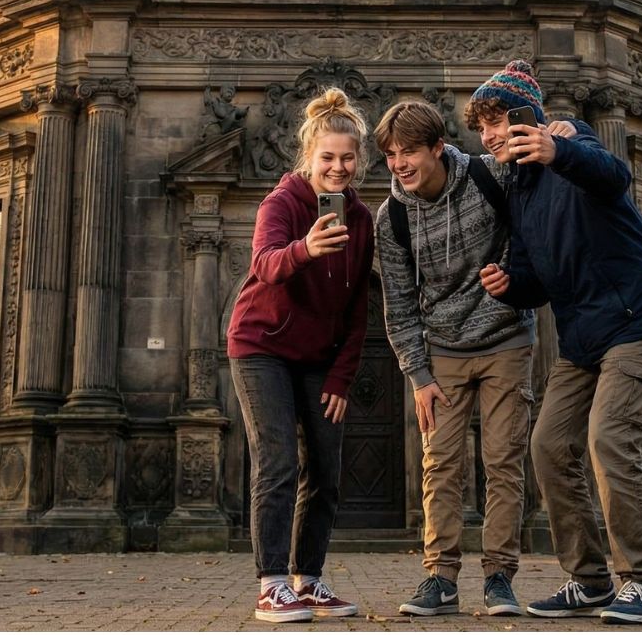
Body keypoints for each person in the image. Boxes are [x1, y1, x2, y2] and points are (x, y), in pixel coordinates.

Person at [470, 60, 642, 625]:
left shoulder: (573, 141)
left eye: (496, 121)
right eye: (482, 127)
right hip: (582, 338)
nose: (488, 135)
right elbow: (534, 278)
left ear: (527, 117)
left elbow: (613, 176)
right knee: (548, 445)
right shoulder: (519, 190)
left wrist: (558, 150)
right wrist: (510, 284)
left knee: (609, 439)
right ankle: (589, 579)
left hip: (636, 320)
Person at [372, 100, 571, 618]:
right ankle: (440, 578)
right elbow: (399, 305)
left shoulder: (488, 176)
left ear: (438, 148)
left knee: (502, 460)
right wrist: (418, 376)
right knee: (440, 463)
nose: (399, 164)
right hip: (442, 350)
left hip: (506, 338)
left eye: (409, 152)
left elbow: (541, 199)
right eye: (391, 155)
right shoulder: (391, 217)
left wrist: (568, 135)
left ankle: (499, 576)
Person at [226, 87, 376, 624]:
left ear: (359, 160)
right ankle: (271, 585)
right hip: (261, 346)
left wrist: (341, 377)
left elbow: (357, 307)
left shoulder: (361, 220)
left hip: (319, 358)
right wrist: (306, 248)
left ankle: (307, 580)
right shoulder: (282, 203)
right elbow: (265, 264)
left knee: (326, 470)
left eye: (347, 158)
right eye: (328, 157)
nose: (338, 168)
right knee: (278, 462)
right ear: (309, 157)